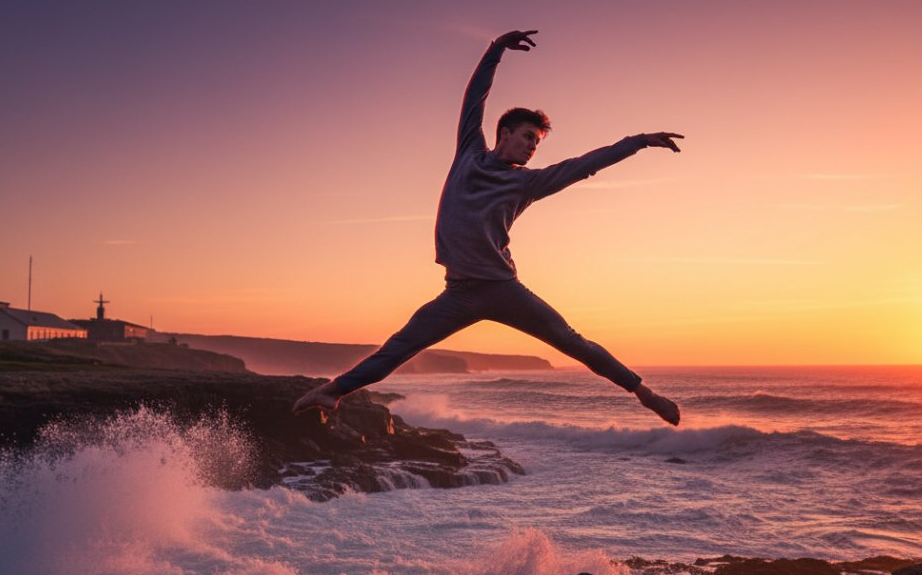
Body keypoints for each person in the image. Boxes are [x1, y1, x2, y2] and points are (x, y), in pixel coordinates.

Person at [293, 29, 683, 426]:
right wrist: (495, 49)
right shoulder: (468, 152)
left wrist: (638, 142)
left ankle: (645, 394)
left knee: (571, 341)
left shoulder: (528, 182)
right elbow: (474, 99)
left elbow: (584, 164)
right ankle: (331, 391)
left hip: (503, 289)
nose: (532, 147)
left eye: (537, 143)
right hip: (458, 293)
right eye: (527, 138)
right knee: (397, 348)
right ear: (504, 134)